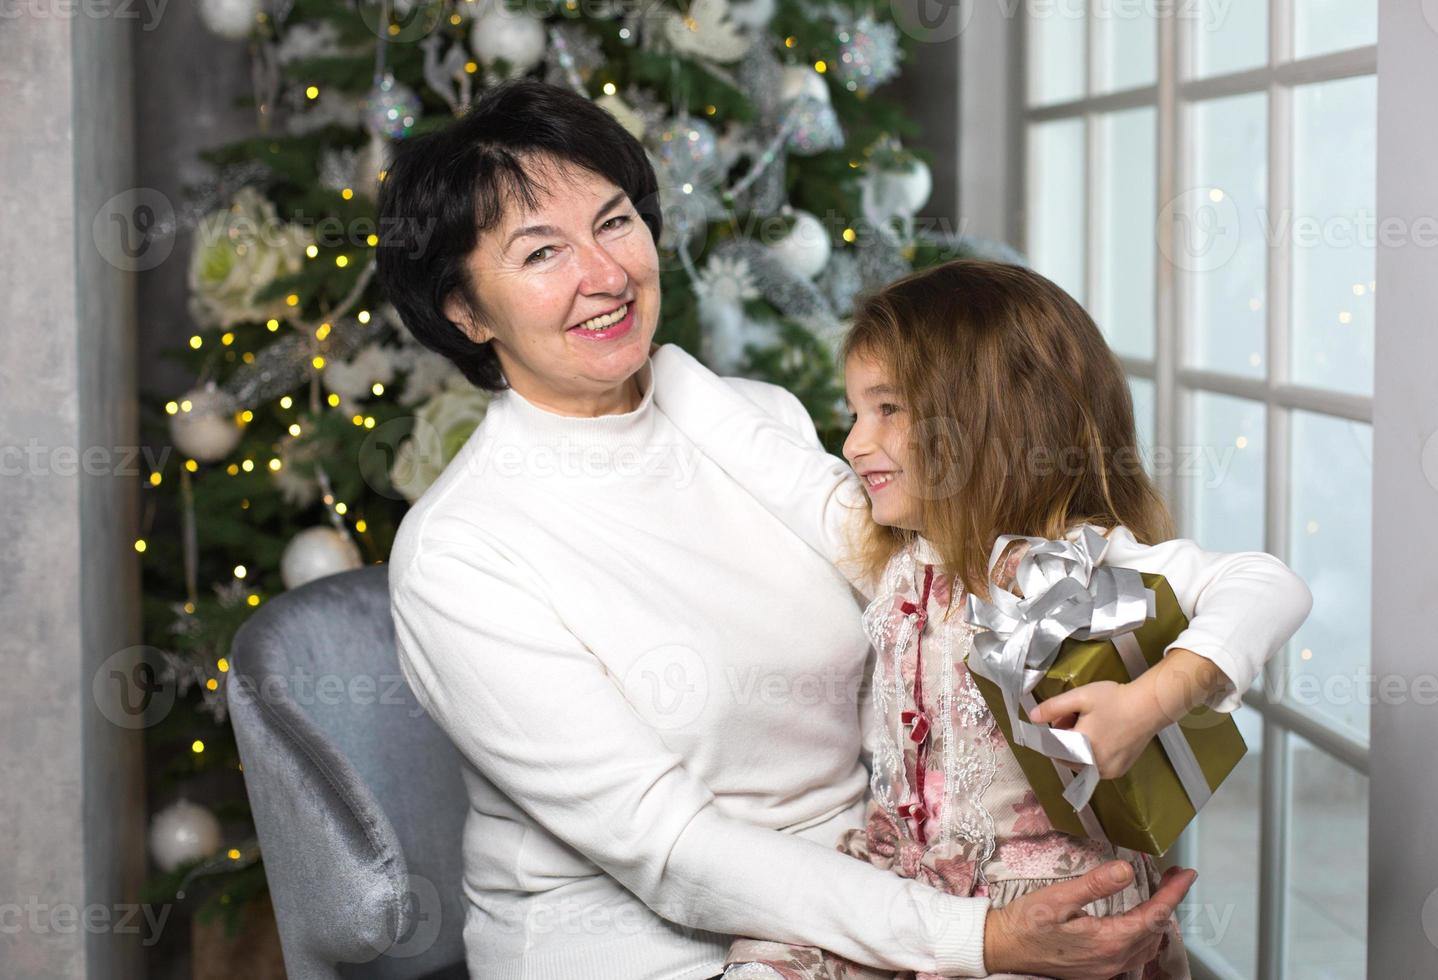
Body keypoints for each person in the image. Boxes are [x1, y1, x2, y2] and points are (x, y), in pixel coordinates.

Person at [376, 78, 1301, 979]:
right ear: (463, 309)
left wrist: (1148, 693)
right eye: (541, 253)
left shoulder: (748, 423)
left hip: (892, 881)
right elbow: (671, 850)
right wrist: (977, 938)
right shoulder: (462, 551)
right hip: (648, 942)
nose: (605, 274)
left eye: (615, 221)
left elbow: (940, 571)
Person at [646, 259, 1312, 979]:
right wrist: (646, 362)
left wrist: (1147, 702)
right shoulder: (896, 556)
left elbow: (1265, 584)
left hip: (1049, 903)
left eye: (887, 410)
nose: (853, 443)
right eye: (853, 413)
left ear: (986, 416)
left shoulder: (1063, 566)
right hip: (910, 878)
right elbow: (770, 462)